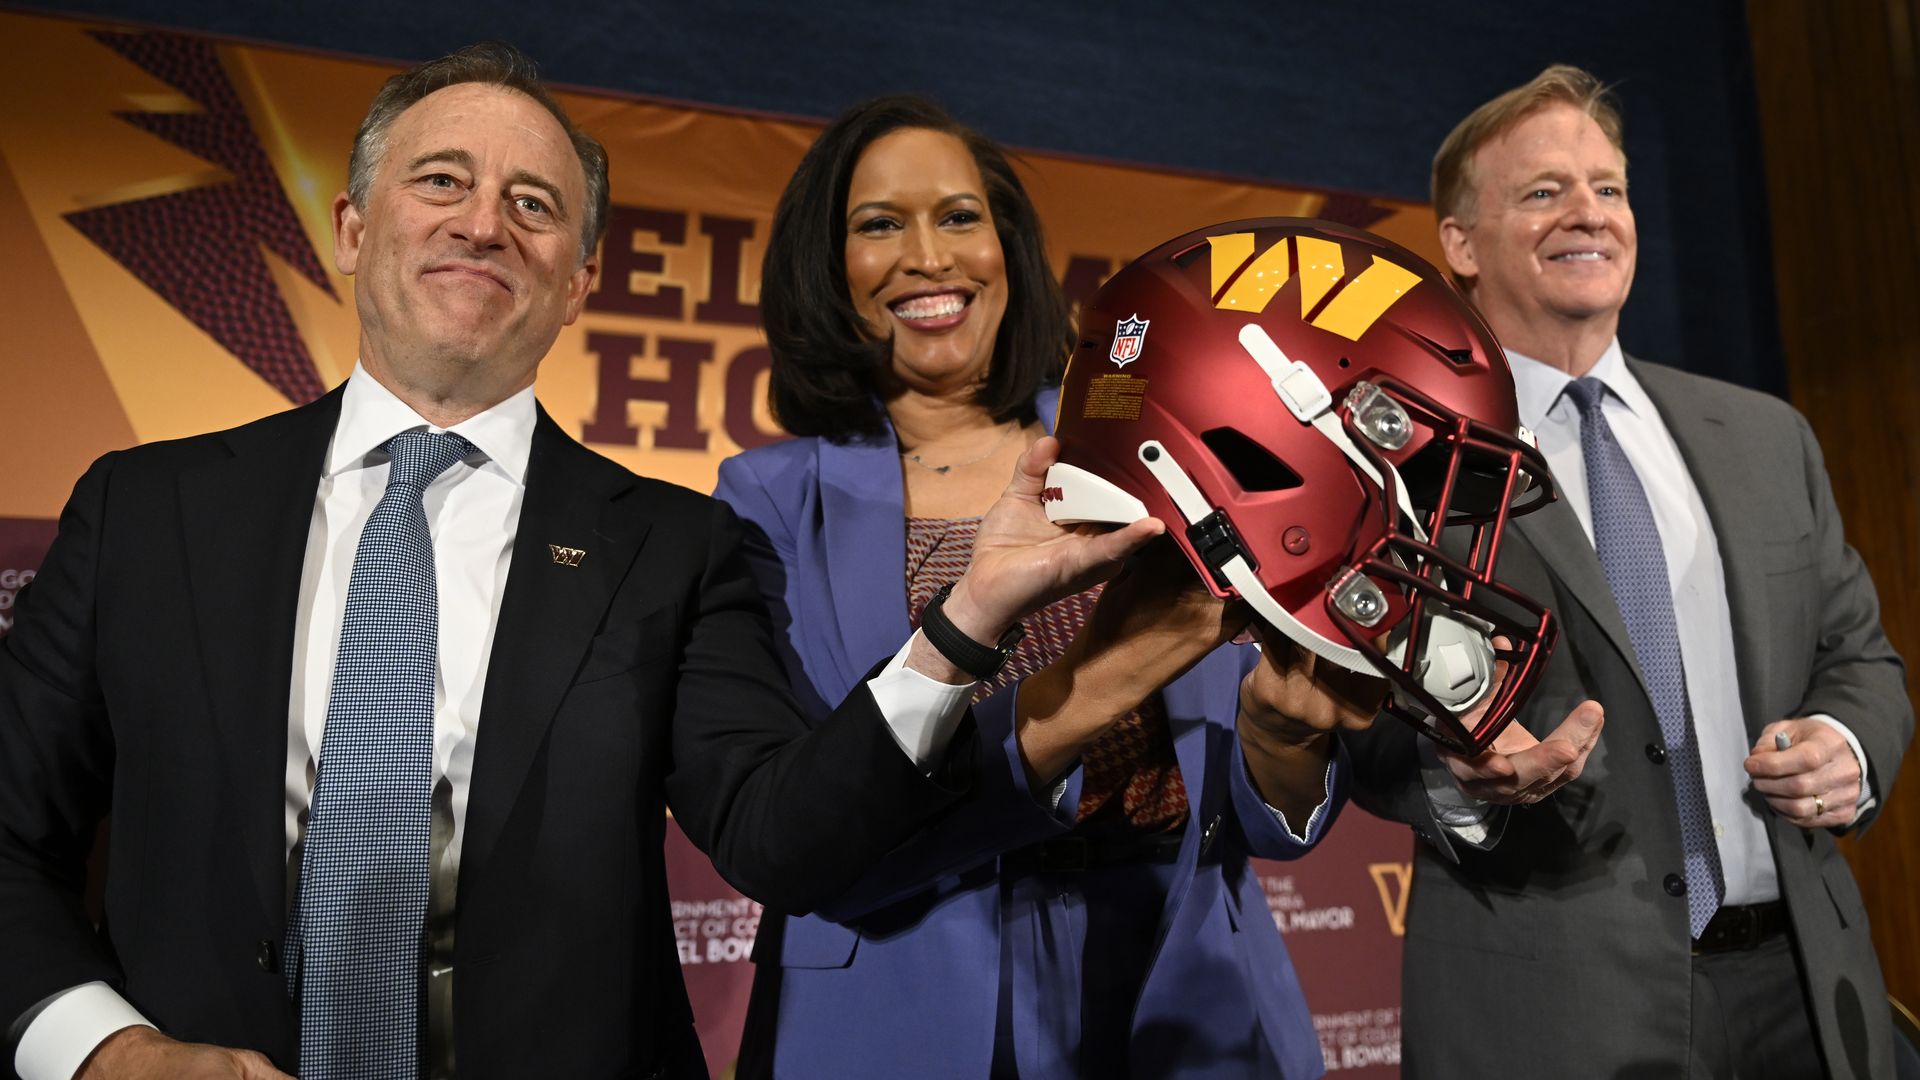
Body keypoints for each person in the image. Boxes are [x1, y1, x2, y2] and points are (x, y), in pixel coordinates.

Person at [0, 45, 1177, 1080]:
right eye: (442, 182)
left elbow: (783, 835)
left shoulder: (673, 546)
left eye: (533, 203)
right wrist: (104, 1048)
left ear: (579, 280)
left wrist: (965, 616)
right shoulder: (143, 510)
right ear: (353, 229)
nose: (482, 223)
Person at [716, 95, 1382, 1080]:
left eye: (957, 216)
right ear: (825, 267)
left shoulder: (1147, 447)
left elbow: (1253, 821)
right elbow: (806, 818)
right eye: (878, 225)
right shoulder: (767, 498)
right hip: (902, 996)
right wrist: (1088, 689)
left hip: (1184, 991)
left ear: (1006, 247)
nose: (929, 255)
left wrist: (1284, 740)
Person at [1344, 64, 1912, 1078]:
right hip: (1549, 1006)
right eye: (1543, 191)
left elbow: (1857, 653)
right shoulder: (1400, 465)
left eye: (1608, 187)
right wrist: (1464, 779)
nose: (1589, 214)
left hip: (1805, 990)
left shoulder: (1765, 435)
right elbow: (1358, 726)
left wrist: (1846, 745)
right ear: (1460, 244)